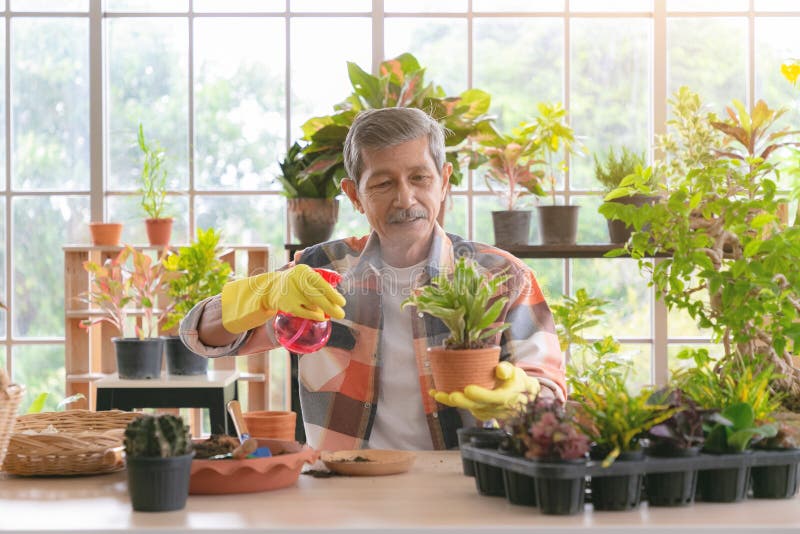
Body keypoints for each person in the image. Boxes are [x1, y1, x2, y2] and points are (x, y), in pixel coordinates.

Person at [180, 107, 565, 451]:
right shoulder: (317, 273)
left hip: (464, 487)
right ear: (354, 195)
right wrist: (264, 293)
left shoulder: (503, 276)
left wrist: (523, 395)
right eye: (383, 184)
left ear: (444, 181)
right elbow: (201, 336)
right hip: (347, 487)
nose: (405, 199)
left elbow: (548, 396)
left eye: (419, 178)